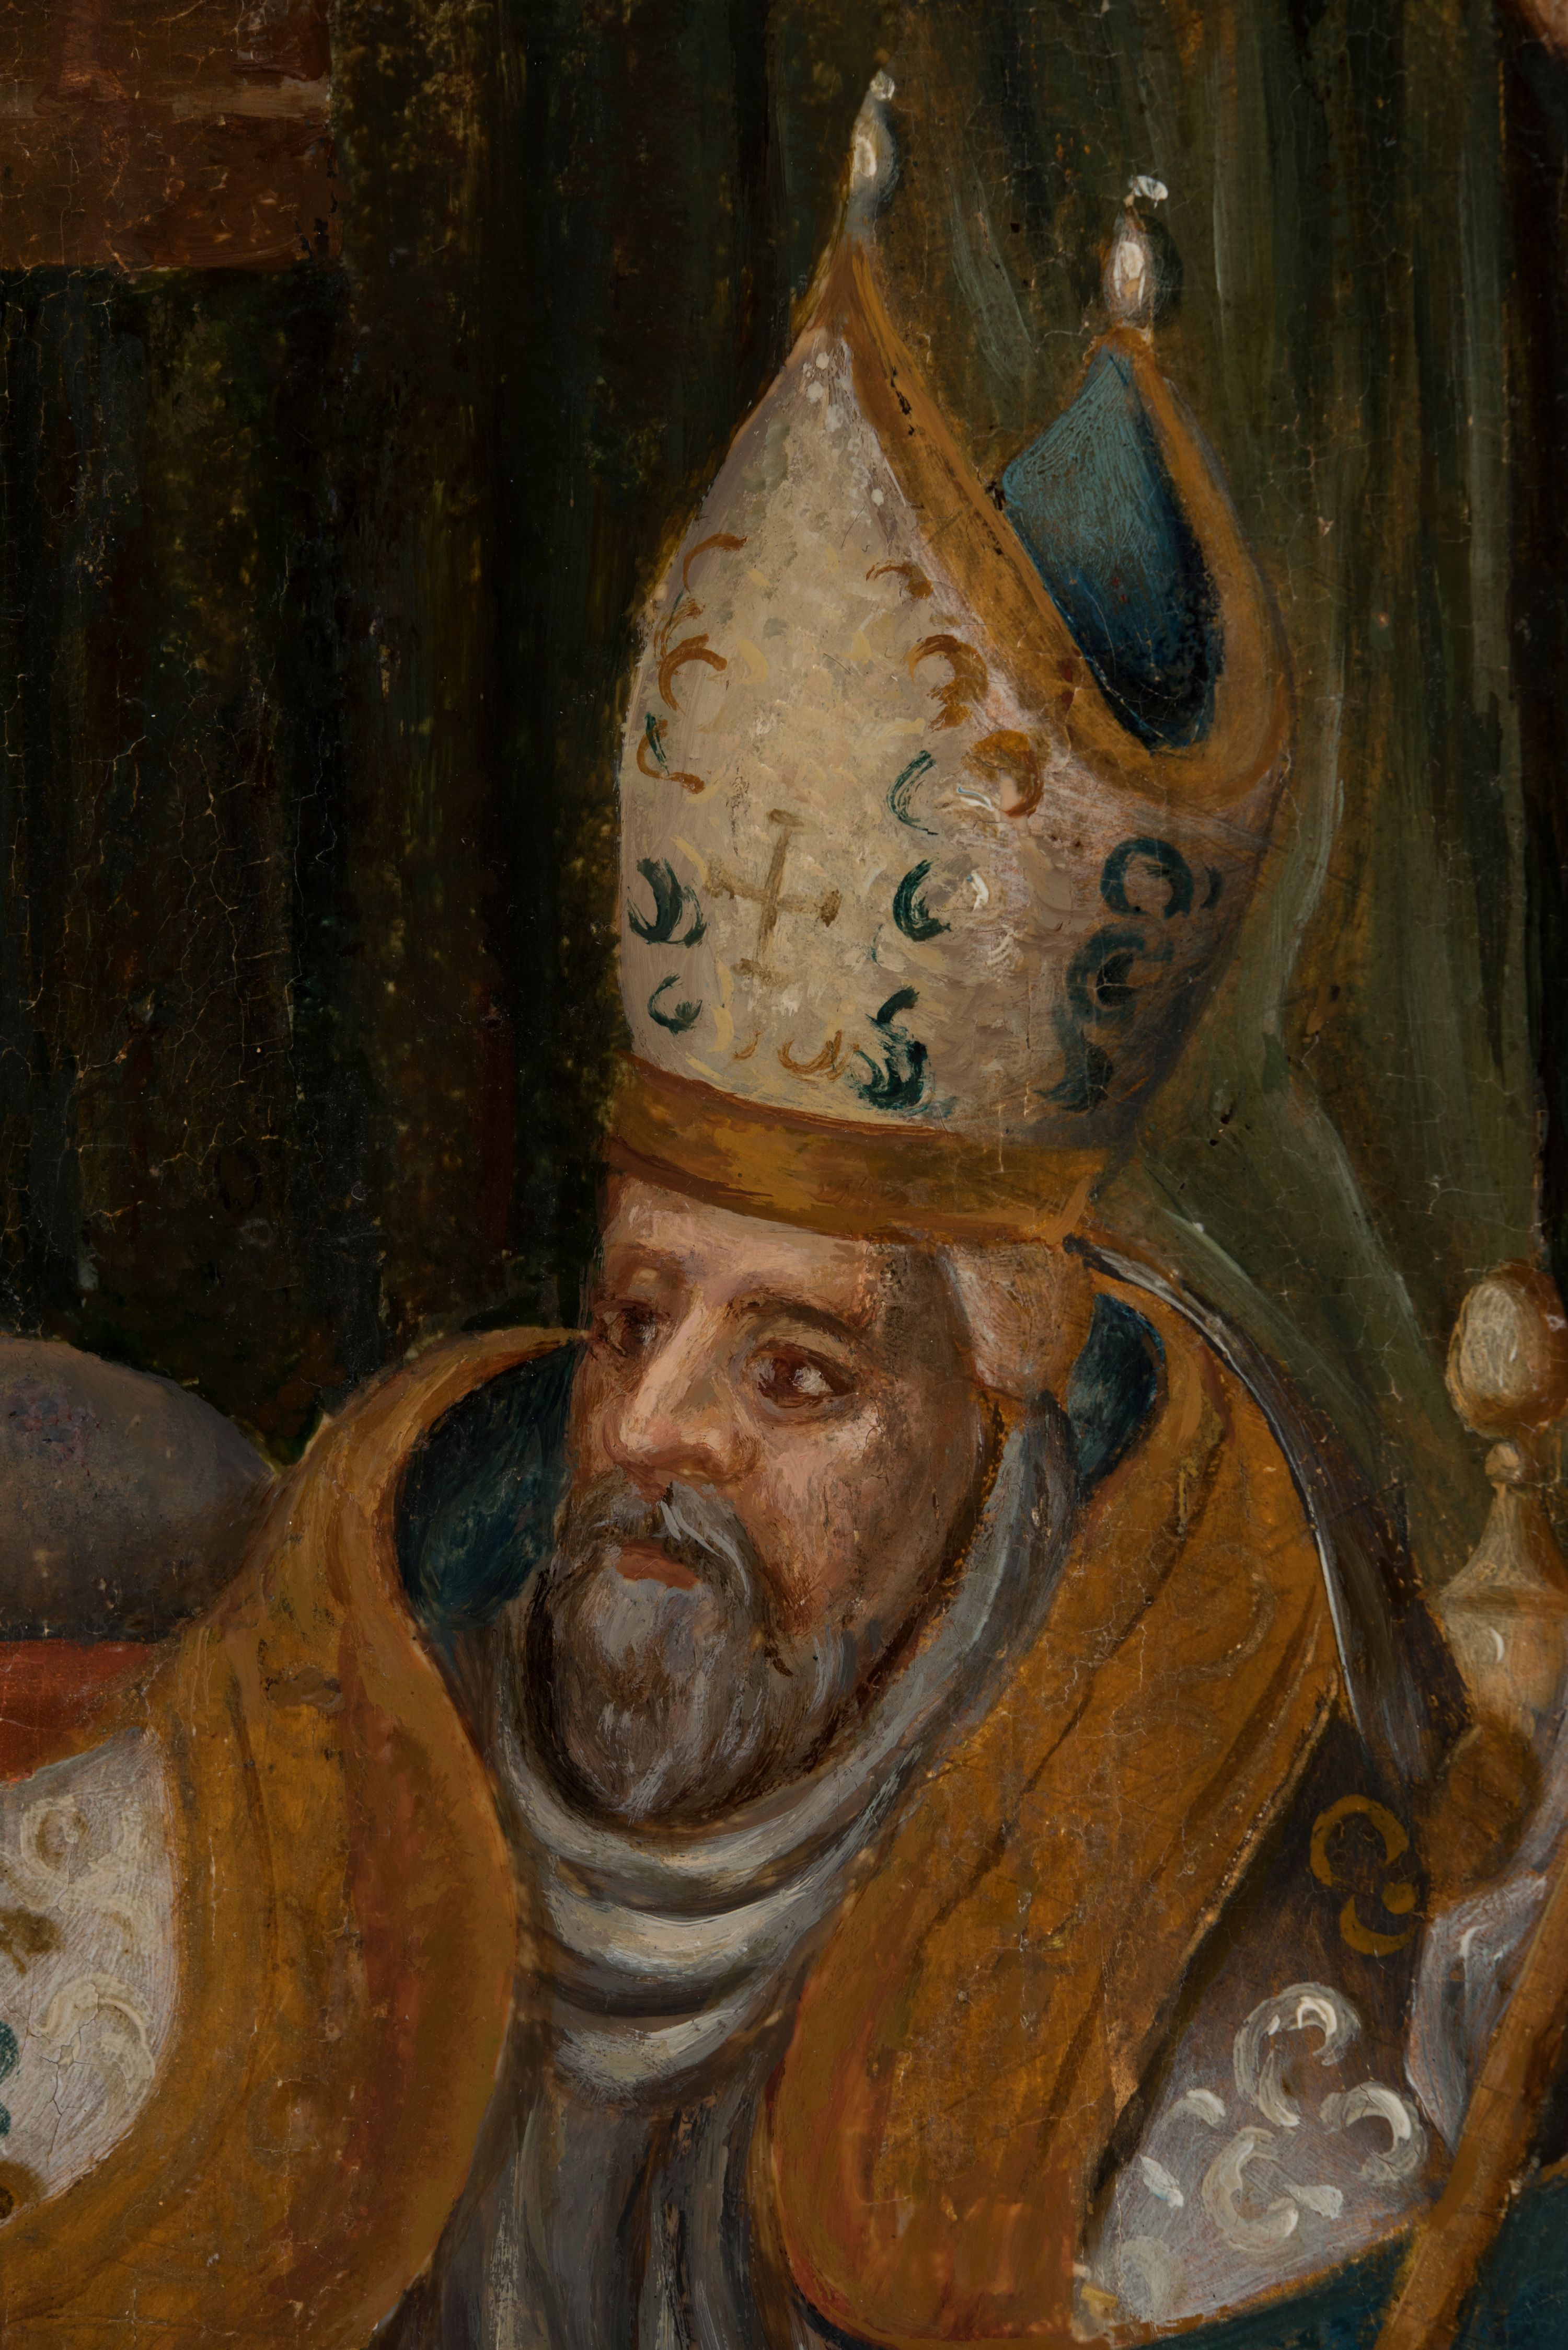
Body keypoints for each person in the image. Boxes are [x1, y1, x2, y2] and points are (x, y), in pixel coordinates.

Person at [4, 77, 1564, 2350]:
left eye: (799, 1371)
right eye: (636, 1317)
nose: (651, 1433)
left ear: (1007, 1391)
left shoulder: (1188, 1887)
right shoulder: (319, 1744)